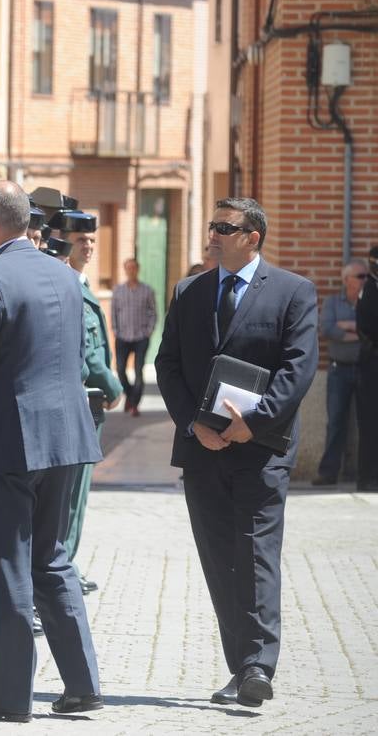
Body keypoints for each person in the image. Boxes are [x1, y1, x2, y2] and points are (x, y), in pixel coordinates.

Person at [0, 180, 103, 724]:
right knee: (52, 560)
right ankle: (82, 684)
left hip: (12, 438)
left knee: (6, 564)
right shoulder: (63, 272)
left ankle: (10, 696)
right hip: (66, 438)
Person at [154, 198, 318, 708]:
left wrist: (257, 422)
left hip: (261, 452)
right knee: (220, 561)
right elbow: (169, 364)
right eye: (212, 226)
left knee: (255, 555)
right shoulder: (190, 290)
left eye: (226, 228)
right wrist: (193, 422)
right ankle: (241, 666)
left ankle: (259, 666)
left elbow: (299, 366)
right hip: (202, 451)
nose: (214, 235)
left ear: (254, 237)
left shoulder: (294, 292)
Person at [59, 211, 121, 597]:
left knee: (78, 496)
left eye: (92, 241)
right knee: (68, 497)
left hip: (90, 403)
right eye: (81, 241)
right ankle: (62, 565)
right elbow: (89, 355)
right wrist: (113, 385)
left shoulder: (82, 284)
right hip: (81, 399)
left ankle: (68, 562)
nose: (88, 247)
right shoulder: (68, 284)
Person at [314, 260, 369, 485]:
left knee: (367, 423)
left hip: (367, 371)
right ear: (346, 280)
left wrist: (346, 326)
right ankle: (328, 473)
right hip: (339, 370)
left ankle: (364, 474)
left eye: (366, 276)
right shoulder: (333, 302)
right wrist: (360, 332)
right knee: (336, 422)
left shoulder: (371, 302)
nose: (365, 280)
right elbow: (326, 328)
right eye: (360, 276)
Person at [111, 258, 159, 416]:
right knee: (120, 370)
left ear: (137, 270)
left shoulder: (147, 290)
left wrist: (148, 331)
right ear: (125, 270)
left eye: (133, 268)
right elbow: (114, 313)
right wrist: (116, 330)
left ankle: (134, 404)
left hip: (140, 338)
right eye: (128, 268)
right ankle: (131, 397)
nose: (131, 271)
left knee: (138, 372)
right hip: (122, 337)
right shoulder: (118, 291)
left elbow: (153, 312)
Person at [356, 248, 378, 492]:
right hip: (372, 367)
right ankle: (367, 477)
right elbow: (367, 329)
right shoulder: (369, 289)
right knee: (370, 425)